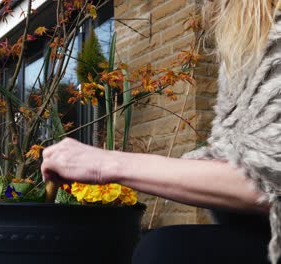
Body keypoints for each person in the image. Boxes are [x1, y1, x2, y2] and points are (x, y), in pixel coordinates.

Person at [41, 1, 281, 263]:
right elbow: (248, 163)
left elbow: (268, 178)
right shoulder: (251, 42)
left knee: (167, 250)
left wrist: (106, 164)